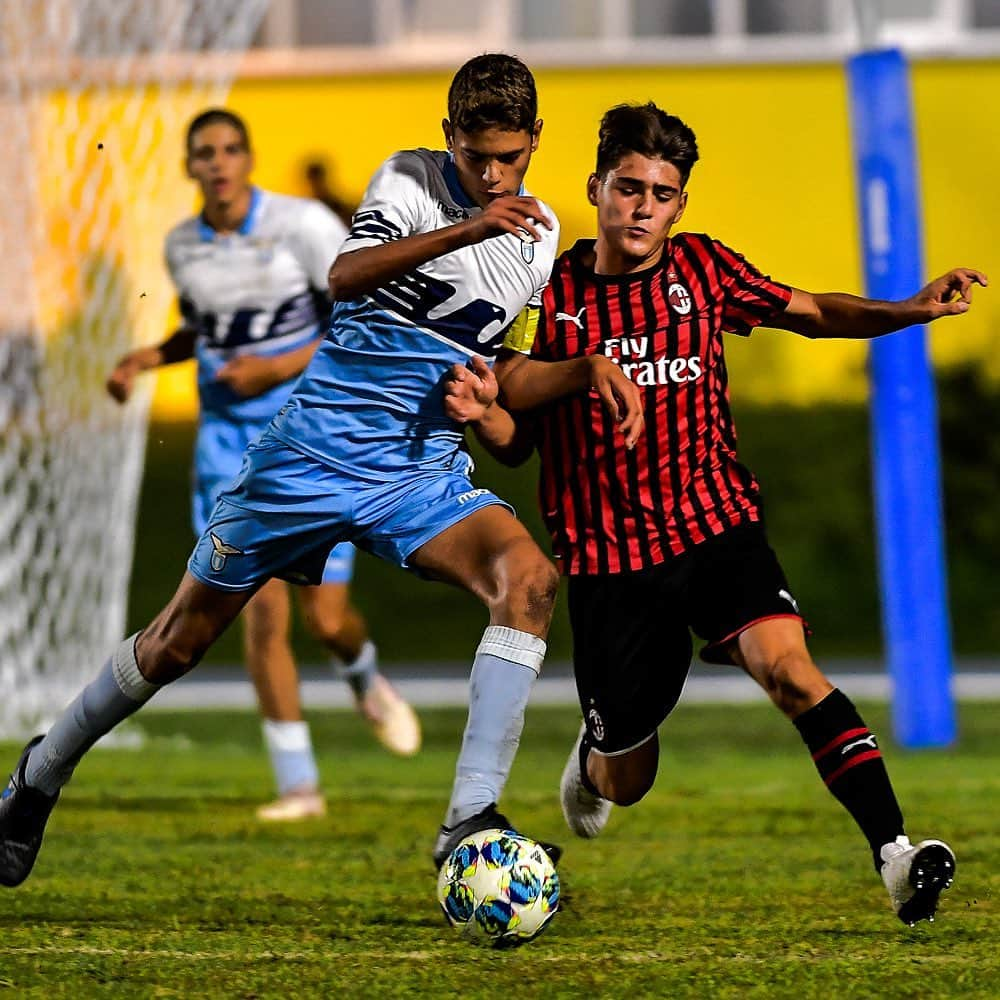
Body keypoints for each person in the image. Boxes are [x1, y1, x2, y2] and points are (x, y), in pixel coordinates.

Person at [0, 53, 563, 888]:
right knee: (176, 642)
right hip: (308, 457)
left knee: (529, 582)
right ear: (449, 135)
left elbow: (509, 384)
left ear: (535, 143)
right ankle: (35, 780)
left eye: (509, 159)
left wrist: (495, 402)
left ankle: (467, 821)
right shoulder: (410, 180)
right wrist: (471, 224)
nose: (491, 173)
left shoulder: (542, 238)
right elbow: (344, 276)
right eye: (475, 154)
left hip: (416, 472)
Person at [443, 102, 987, 926]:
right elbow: (517, 436)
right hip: (612, 562)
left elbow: (813, 312)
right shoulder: (546, 293)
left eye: (662, 193)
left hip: (716, 528)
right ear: (596, 187)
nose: (642, 207)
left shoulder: (703, 271)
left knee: (792, 673)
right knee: (628, 778)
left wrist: (910, 309)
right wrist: (488, 413)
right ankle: (594, 759)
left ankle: (897, 855)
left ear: (680, 205)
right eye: (629, 187)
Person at [104, 109, 421, 822]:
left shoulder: (304, 224)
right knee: (258, 611)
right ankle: (299, 784)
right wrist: (148, 358)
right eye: (204, 153)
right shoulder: (182, 245)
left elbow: (362, 313)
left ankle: (364, 674)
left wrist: (277, 366)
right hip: (227, 453)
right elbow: (202, 328)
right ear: (191, 167)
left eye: (229, 150)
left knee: (327, 617)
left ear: (248, 159)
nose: (217, 163)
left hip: (312, 439)